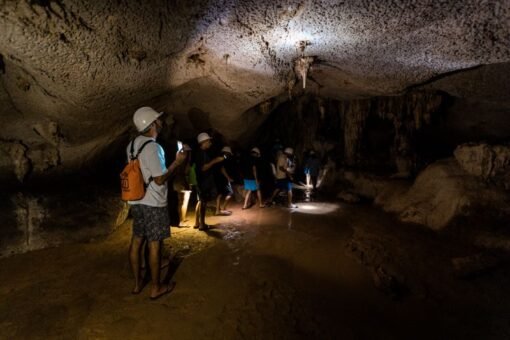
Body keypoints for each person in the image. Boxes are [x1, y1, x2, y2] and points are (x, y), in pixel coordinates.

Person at [127, 107, 186, 299]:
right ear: (152, 124)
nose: (160, 123)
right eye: (158, 120)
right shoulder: (153, 147)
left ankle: (137, 284)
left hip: (136, 200)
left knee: (137, 241)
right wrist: (177, 163)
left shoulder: (132, 145)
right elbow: (160, 179)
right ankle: (156, 287)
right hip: (153, 202)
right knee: (155, 243)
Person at [194, 132, 225, 230]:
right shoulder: (201, 153)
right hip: (203, 181)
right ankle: (202, 225)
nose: (210, 143)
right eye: (208, 141)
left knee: (200, 201)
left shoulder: (201, 152)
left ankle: (197, 223)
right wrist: (216, 160)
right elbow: (203, 168)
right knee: (203, 202)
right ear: (203, 142)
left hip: (202, 181)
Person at [172, 144, 193, 226]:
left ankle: (182, 219)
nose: (187, 153)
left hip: (180, 181)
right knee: (181, 201)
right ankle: (180, 220)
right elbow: (186, 173)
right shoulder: (182, 161)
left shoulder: (180, 160)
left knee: (183, 201)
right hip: (180, 181)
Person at [215, 146, 235, 216]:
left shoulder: (218, 158)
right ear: (226, 153)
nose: (229, 155)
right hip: (223, 179)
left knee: (219, 194)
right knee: (230, 193)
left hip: (218, 178)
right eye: (229, 154)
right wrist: (228, 178)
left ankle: (218, 210)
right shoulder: (223, 159)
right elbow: (222, 169)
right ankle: (223, 208)